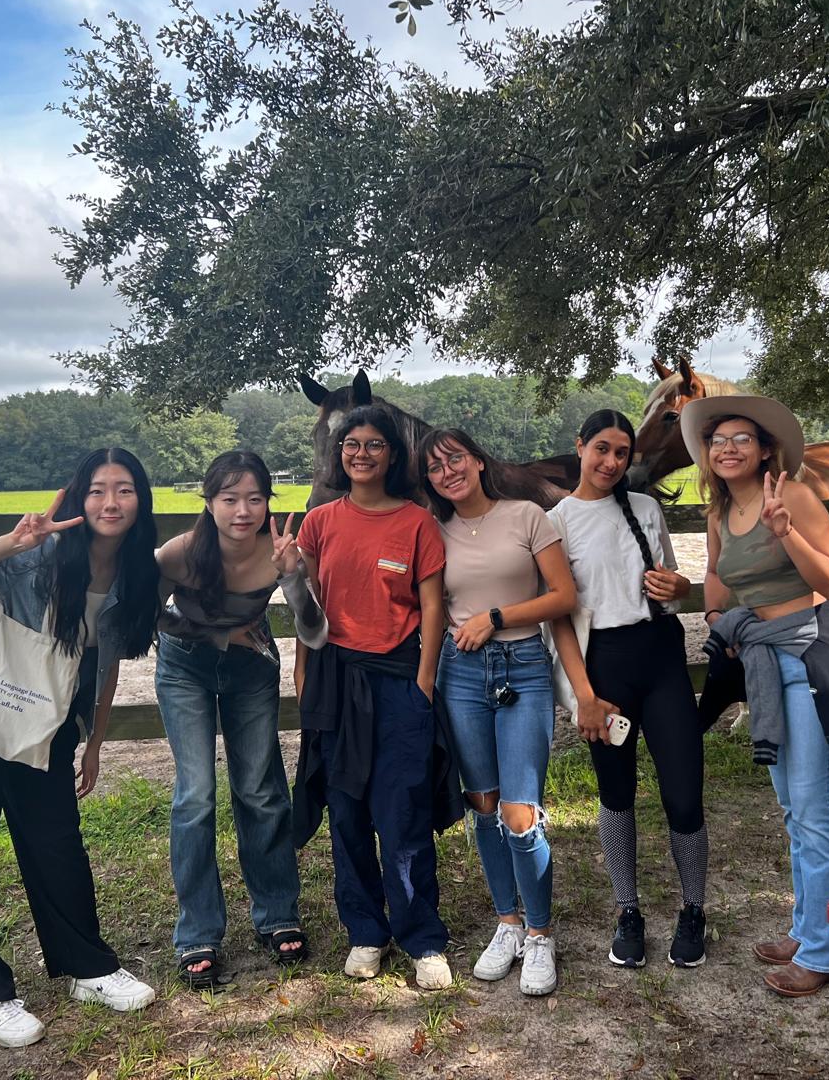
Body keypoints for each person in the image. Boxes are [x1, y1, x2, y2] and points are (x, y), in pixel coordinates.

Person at [0, 447, 161, 1048]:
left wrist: (95, 741)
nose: (111, 502)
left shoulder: (136, 576)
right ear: (79, 497)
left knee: (57, 847)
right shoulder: (38, 556)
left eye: (125, 489)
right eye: (98, 489)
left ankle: (85, 966)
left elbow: (105, 666)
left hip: (49, 727)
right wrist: (10, 543)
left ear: (141, 500)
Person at [681, 394, 829, 998]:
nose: (728, 449)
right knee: (793, 809)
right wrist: (720, 618)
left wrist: (785, 532)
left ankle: (825, 953)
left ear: (766, 449)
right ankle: (806, 926)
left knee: (813, 809)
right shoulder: (718, 514)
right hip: (765, 658)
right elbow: (718, 579)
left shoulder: (792, 497)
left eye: (741, 439)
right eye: (718, 441)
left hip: (812, 653)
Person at [293, 405, 455, 990]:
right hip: (336, 680)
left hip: (399, 679)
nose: (361, 453)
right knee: (347, 811)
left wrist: (425, 680)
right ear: (340, 455)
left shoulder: (417, 522)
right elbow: (307, 608)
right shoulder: (320, 522)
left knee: (403, 809)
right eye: (351, 444)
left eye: (373, 445)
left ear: (393, 454)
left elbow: (432, 606)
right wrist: (303, 669)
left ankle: (422, 937)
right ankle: (366, 931)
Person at [153, 450, 328, 988]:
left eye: (255, 498)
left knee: (260, 790)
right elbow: (142, 618)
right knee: (195, 796)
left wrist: (292, 577)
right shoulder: (180, 553)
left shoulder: (277, 553)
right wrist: (214, 635)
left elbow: (316, 631)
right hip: (185, 670)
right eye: (229, 499)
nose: (243, 511)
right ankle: (198, 931)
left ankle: (277, 915)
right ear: (209, 503)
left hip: (251, 668)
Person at [549, 409, 708, 970]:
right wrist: (583, 693)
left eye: (621, 452)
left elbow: (672, 588)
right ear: (580, 446)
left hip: (660, 654)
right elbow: (559, 618)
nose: (612, 462)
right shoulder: (558, 521)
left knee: (683, 793)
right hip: (604, 664)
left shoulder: (645, 508)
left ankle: (694, 910)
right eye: (602, 449)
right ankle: (628, 910)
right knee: (616, 793)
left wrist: (681, 586)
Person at [421, 427, 578, 996]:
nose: (448, 472)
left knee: (519, 810)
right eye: (435, 467)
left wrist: (495, 615)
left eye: (455, 458)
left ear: (478, 460)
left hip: (522, 669)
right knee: (482, 805)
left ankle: (540, 933)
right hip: (460, 675)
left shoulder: (528, 516)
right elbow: (433, 611)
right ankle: (506, 922)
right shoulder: (433, 531)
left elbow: (563, 596)